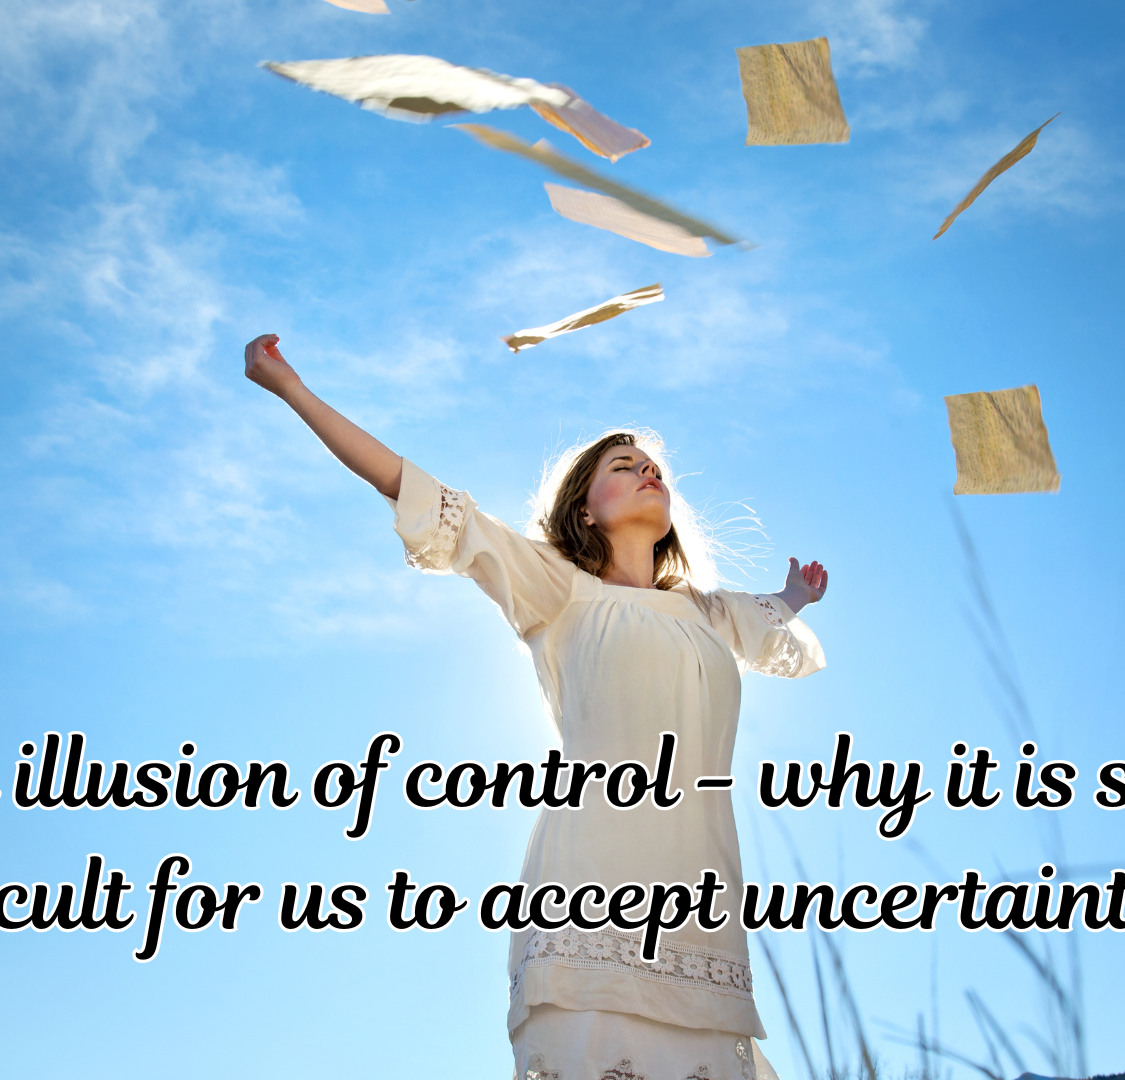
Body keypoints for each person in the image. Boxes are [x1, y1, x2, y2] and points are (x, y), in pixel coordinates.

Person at [244, 333, 828, 1080]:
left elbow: (774, 631)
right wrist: (293, 389)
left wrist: (796, 597)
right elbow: (411, 486)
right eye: (623, 467)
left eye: (652, 467)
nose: (647, 472)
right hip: (589, 899)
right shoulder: (558, 588)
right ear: (585, 510)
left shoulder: (712, 615)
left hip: (698, 912)